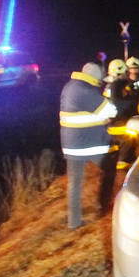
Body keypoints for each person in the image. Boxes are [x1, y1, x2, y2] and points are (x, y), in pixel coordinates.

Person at [59, 62, 118, 229]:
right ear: (94, 78)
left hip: (71, 144)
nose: (99, 84)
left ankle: (74, 222)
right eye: (99, 81)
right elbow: (111, 111)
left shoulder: (69, 87)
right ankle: (103, 207)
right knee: (109, 169)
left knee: (74, 183)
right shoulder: (86, 90)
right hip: (89, 143)